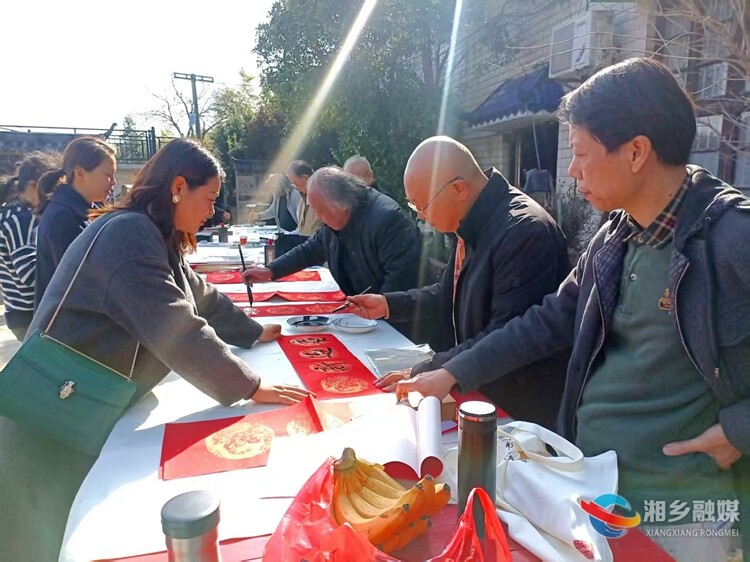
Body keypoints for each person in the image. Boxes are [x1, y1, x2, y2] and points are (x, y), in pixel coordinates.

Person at [393, 59, 749, 559]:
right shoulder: (614, 236)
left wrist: (738, 430)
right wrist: (451, 372)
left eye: (581, 152)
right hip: (592, 482)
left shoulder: (731, 239)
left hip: (681, 509)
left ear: (636, 152)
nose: (573, 170)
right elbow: (547, 320)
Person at [0, 138, 311, 561]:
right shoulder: (128, 234)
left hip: (79, 405)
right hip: (49, 423)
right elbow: (175, 326)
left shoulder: (151, 231)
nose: (212, 211)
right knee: (43, 540)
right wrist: (250, 386)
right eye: (209, 198)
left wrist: (253, 331)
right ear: (179, 187)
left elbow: (197, 294)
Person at [347, 136, 570, 428]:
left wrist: (432, 369)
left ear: (458, 189)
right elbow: (448, 293)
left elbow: (505, 335)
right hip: (479, 387)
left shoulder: (524, 231)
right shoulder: (472, 220)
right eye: (415, 207)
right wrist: (389, 304)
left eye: (422, 205)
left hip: (517, 412)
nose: (422, 217)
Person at [242, 167, 422, 295]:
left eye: (320, 211)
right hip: (365, 312)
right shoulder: (338, 216)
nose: (318, 217)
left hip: (394, 324)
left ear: (342, 205)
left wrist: (375, 313)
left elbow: (400, 283)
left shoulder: (388, 221)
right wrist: (271, 270)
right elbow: (309, 250)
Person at [34, 136, 118, 307]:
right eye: (108, 175)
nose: (114, 183)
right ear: (80, 173)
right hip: (66, 319)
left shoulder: (84, 209)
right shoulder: (63, 217)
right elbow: (79, 282)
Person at [0, 152, 61, 339]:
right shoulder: (23, 218)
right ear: (34, 186)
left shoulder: (10, 213)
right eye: (51, 189)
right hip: (29, 315)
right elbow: (29, 274)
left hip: (18, 312)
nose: (53, 197)